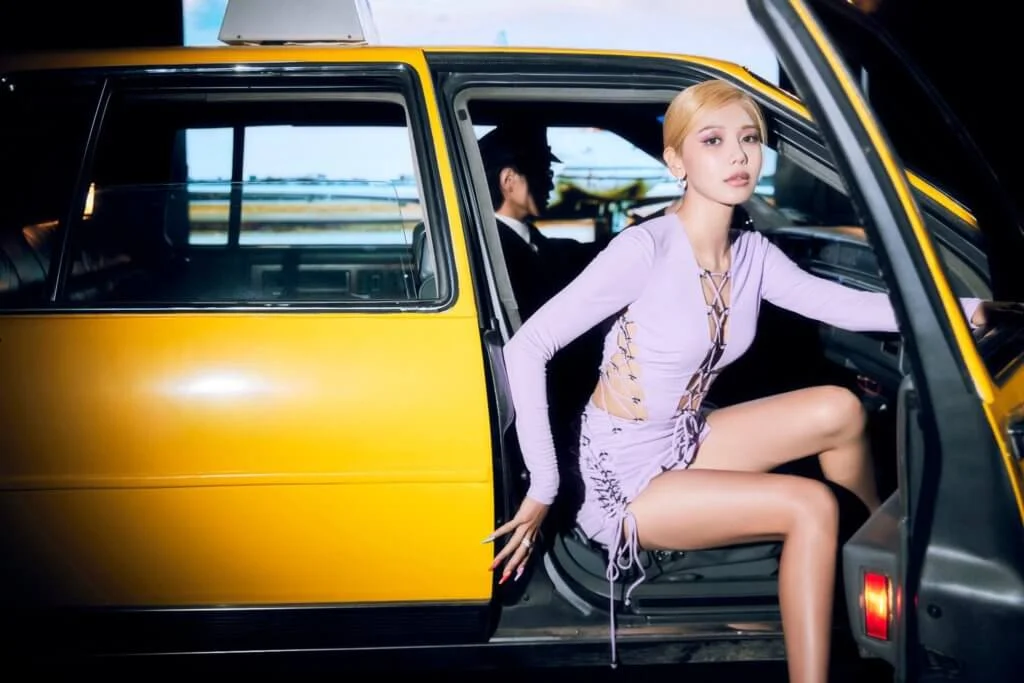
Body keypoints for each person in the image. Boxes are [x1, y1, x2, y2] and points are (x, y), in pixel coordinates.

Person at [484, 80, 989, 681]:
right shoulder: (644, 249)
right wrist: (543, 486)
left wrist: (973, 310)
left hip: (682, 438)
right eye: (713, 140)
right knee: (809, 504)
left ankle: (876, 564)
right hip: (621, 475)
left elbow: (847, 307)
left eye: (749, 139)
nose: (738, 155)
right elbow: (528, 348)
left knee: (839, 408)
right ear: (676, 161)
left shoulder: (752, 254)